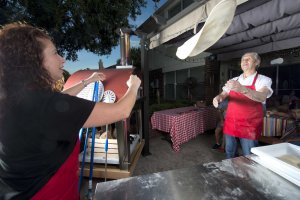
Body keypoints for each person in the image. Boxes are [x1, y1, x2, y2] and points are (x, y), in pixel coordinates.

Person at [0, 22, 141, 199]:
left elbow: (59, 99)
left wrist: (86, 82)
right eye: (54, 53)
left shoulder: (17, 100)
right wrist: (133, 86)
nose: (62, 59)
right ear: (35, 61)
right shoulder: (46, 106)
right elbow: (122, 111)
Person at [213, 52, 273, 159]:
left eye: (248, 59)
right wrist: (218, 98)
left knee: (249, 154)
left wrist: (242, 89)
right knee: (230, 151)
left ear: (256, 62)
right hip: (231, 121)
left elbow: (262, 96)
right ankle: (232, 170)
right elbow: (223, 94)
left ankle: (249, 174)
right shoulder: (234, 80)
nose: (244, 61)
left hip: (249, 124)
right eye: (242, 60)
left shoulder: (263, 80)